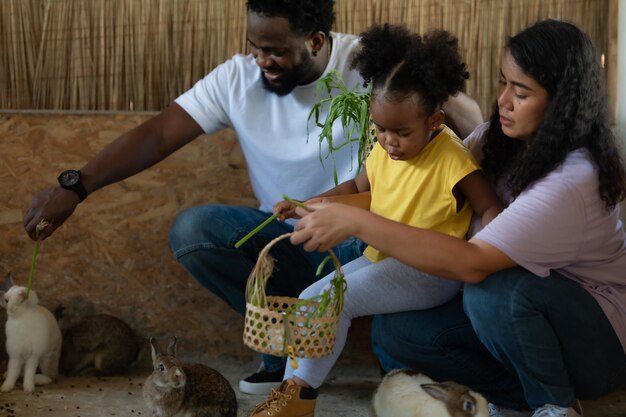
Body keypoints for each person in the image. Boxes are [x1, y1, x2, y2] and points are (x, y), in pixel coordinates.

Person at [22, 0, 483, 396]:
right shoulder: (237, 80)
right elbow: (159, 134)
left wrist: (453, 111)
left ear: (317, 41)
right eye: (255, 46)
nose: (261, 59)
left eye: (277, 50)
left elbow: (463, 120)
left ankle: (360, 363)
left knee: (385, 322)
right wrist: (76, 185)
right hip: (297, 232)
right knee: (193, 230)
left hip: (377, 234)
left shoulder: (375, 67)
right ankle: (283, 351)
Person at [290, 19, 626, 417]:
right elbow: (415, 193)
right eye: (503, 83)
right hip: (519, 322)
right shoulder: (496, 140)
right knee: (397, 332)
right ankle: (511, 402)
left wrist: (356, 223)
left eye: (520, 92)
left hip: (594, 341)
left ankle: (553, 404)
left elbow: (473, 262)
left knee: (494, 291)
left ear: (562, 103)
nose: (502, 100)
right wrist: (328, 206)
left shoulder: (570, 180)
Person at [248, 24, 503, 417]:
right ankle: (292, 393)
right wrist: (308, 204)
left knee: (325, 301)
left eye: (401, 132)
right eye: (380, 128)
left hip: (432, 271)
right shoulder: (384, 148)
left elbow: (488, 206)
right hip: (383, 255)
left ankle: (297, 400)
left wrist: (490, 246)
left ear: (435, 121)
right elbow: (356, 187)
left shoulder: (453, 160)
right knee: (312, 298)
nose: (388, 141)